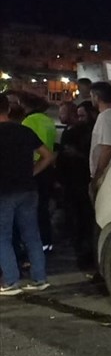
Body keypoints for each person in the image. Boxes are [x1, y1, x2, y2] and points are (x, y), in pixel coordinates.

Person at [0, 95, 55, 294]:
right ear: (7, 109)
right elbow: (48, 155)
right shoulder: (24, 131)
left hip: (4, 191)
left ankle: (11, 281)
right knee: (32, 235)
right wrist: (32, 171)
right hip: (28, 189)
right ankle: (40, 278)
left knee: (2, 237)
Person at [59, 100, 97, 272]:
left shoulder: (89, 133)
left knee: (84, 218)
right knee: (75, 217)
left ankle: (86, 253)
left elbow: (91, 157)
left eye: (82, 116)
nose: (80, 119)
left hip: (82, 180)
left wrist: (77, 154)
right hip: (70, 180)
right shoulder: (71, 131)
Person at [19, 91, 58, 253]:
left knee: (31, 210)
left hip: (35, 168)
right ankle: (47, 242)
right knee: (43, 208)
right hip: (47, 169)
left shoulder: (29, 121)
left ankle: (35, 245)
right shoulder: (48, 120)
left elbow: (28, 147)